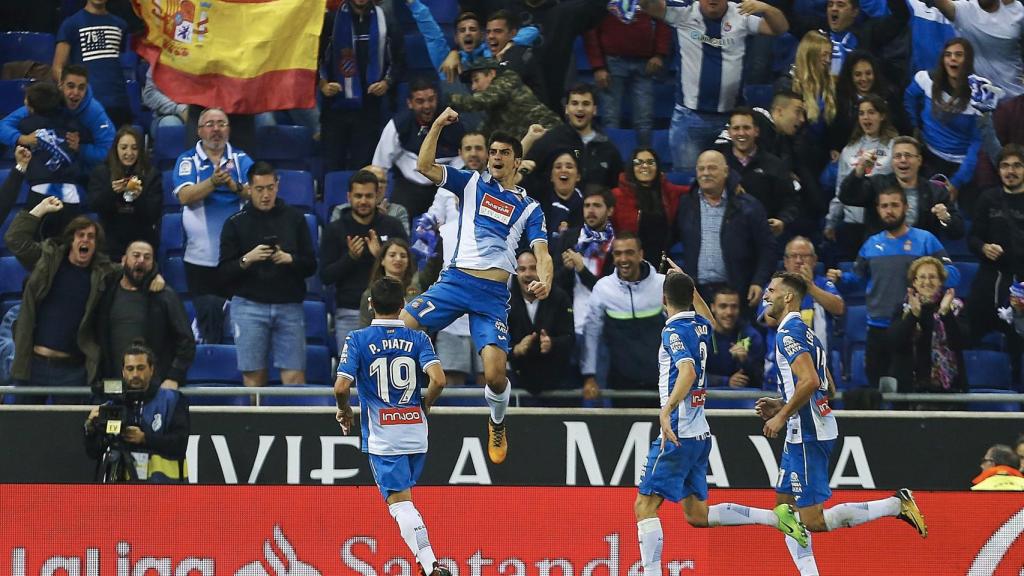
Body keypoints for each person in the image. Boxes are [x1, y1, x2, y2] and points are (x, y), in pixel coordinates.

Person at [634, 269, 808, 576]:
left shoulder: (672, 332)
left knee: (644, 508)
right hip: (700, 434)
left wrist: (666, 410)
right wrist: (687, 281)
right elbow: (706, 316)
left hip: (678, 432)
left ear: (663, 300)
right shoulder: (701, 326)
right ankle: (776, 518)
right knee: (697, 515)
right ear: (692, 299)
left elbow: (686, 372)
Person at [404, 107, 553, 464]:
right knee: (401, 326)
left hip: (491, 296)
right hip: (455, 282)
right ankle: (405, 400)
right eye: (493, 151)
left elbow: (543, 253)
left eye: (504, 153)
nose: (496, 157)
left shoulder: (529, 208)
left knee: (495, 374)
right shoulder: (471, 183)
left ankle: (497, 422)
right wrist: (439, 124)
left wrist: (545, 279)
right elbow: (424, 166)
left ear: (518, 162)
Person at [758, 271, 927, 576]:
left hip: (807, 434)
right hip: (805, 428)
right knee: (785, 509)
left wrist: (783, 415)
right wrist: (783, 404)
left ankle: (896, 505)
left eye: (771, 290)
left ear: (788, 297)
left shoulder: (788, 333)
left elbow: (810, 381)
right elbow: (829, 387)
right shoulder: (807, 332)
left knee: (812, 522)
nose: (765, 296)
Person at [334, 277, 450, 576]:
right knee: (405, 501)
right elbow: (438, 380)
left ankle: (430, 565)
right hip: (416, 432)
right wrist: (426, 404)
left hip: (384, 437)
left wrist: (344, 410)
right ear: (403, 306)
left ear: (370, 303)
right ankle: (427, 563)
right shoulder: (419, 338)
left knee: (400, 506)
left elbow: (340, 386)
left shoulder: (357, 339)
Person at [826, 188, 959, 390]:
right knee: (876, 392)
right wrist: (841, 278)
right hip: (877, 330)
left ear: (906, 207)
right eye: (884, 206)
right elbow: (857, 280)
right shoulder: (871, 244)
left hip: (914, 329)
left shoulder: (925, 240)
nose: (889, 210)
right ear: (878, 210)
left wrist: (930, 277)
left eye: (895, 205)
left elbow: (953, 274)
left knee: (908, 395)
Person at [639, 0, 789, 172]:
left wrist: (766, 8)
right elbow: (646, 5)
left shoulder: (741, 14)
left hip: (731, 119)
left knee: (735, 179)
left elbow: (780, 27)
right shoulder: (683, 12)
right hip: (690, 119)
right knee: (687, 180)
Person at [4, 199, 115, 403]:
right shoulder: (47, 260)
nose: (86, 240)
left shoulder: (103, 274)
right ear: (71, 240)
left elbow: (136, 272)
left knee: (69, 432)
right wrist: (41, 209)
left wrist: (155, 276)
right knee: (22, 429)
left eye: (91, 237)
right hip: (33, 365)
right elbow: (14, 239)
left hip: (72, 370)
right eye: (80, 235)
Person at [218, 162, 317, 388]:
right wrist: (247, 259)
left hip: (289, 306)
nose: (266, 195)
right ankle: (256, 424)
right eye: (260, 189)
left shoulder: (295, 219)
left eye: (270, 188)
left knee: (294, 378)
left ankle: (291, 423)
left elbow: (311, 265)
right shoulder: (235, 223)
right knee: (253, 379)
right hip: (248, 306)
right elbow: (223, 272)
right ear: (249, 188)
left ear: (278, 186)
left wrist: (289, 259)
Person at [173, 108, 253, 342]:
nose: (216, 129)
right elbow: (185, 196)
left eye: (221, 124)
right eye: (210, 124)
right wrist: (214, 182)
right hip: (199, 260)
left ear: (229, 129)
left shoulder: (241, 159)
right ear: (199, 131)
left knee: (234, 322)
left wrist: (234, 187)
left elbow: (260, 193)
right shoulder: (187, 160)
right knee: (204, 322)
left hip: (234, 258)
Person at [674, 150, 775, 308]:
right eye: (701, 169)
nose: (706, 173)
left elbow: (767, 248)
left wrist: (758, 281)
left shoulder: (748, 206)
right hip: (696, 294)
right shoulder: (685, 205)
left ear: (726, 171)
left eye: (712, 168)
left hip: (737, 294)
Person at [322, 170, 409, 353]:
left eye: (369, 196)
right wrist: (350, 257)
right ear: (349, 196)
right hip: (350, 311)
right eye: (358, 196)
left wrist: (381, 256)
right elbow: (325, 276)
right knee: (351, 372)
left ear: (378, 195)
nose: (363, 201)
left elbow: (408, 267)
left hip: (391, 313)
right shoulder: (335, 229)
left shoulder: (392, 225)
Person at [84, 343, 190, 482]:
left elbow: (180, 444)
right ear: (123, 372)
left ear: (151, 369)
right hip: (122, 491)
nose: (135, 374)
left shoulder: (172, 400)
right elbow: (94, 452)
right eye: (130, 369)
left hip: (164, 488)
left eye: (141, 368)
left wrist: (144, 438)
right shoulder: (114, 405)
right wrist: (90, 429)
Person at [96, 241, 195, 391]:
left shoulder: (164, 295)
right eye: (136, 255)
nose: (141, 260)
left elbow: (186, 341)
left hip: (154, 386)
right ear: (123, 260)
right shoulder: (108, 292)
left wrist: (174, 377)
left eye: (147, 257)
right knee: (113, 414)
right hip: (115, 384)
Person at [319, 0, 404, 171]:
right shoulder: (331, 20)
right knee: (332, 167)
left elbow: (399, 60)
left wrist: (387, 83)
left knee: (363, 169)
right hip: (335, 106)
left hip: (369, 108)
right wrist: (322, 83)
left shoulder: (386, 20)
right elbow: (315, 58)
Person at [581, 233, 664, 403]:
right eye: (618, 253)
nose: (623, 259)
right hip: (621, 384)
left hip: (659, 383)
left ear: (641, 254)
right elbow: (591, 333)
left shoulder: (663, 285)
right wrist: (589, 376)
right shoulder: (603, 288)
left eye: (629, 252)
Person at [838, 135, 964, 246]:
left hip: (921, 259)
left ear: (919, 160)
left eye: (908, 155)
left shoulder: (936, 192)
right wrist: (859, 169)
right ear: (892, 162)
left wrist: (946, 218)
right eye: (897, 156)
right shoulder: (877, 184)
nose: (903, 159)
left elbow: (957, 232)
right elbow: (846, 196)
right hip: (883, 253)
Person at [372, 78, 465, 220]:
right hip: (409, 186)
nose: (427, 106)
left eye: (431, 100)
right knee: (394, 219)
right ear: (410, 103)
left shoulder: (454, 122)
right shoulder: (397, 125)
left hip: (443, 184)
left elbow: (464, 157)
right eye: (420, 101)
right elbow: (379, 166)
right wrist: (378, 199)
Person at [759, 237, 845, 390]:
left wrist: (810, 287)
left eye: (804, 256)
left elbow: (839, 308)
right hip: (779, 374)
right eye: (793, 256)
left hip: (818, 371)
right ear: (785, 261)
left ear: (814, 260)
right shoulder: (773, 286)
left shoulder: (824, 284)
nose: (799, 261)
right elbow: (770, 319)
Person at [904, 38, 982, 205]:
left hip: (961, 166)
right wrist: (915, 127)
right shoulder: (926, 79)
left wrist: (957, 182)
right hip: (929, 158)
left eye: (958, 55)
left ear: (968, 60)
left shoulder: (979, 97)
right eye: (948, 55)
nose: (952, 58)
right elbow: (909, 97)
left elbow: (977, 143)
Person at [0, 64, 115, 177]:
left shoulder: (95, 112)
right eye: (70, 86)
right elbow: (3, 126)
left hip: (83, 175)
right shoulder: (47, 99)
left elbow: (110, 152)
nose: (75, 92)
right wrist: (23, 139)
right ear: (61, 85)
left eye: (81, 88)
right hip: (46, 172)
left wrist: (80, 148)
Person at [583, 9, 672, 146]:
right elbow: (591, 27)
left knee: (644, 119)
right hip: (612, 61)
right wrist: (598, 66)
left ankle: (645, 163)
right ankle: (611, 164)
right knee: (610, 118)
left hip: (644, 63)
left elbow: (663, 17)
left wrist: (659, 54)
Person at [826, 94, 899, 258]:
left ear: (882, 115)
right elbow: (840, 189)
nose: (866, 117)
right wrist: (831, 221)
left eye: (871, 112)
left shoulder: (895, 146)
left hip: (881, 224)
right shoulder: (849, 150)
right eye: (862, 113)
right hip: (851, 224)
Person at [12, 81, 84, 240]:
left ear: (31, 105)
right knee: (68, 248)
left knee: (37, 248)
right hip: (70, 193)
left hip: (40, 192)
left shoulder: (24, 126)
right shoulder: (72, 124)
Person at [968, 144, 1024, 343]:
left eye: (1017, 165)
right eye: (1005, 166)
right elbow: (972, 238)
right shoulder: (988, 198)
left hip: (1021, 282)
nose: (1011, 171)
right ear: (998, 170)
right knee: (967, 333)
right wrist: (983, 247)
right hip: (989, 281)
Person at [887, 256, 967, 394]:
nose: (927, 282)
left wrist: (946, 313)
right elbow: (894, 343)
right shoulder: (903, 309)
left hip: (949, 390)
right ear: (914, 282)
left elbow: (961, 342)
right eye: (922, 277)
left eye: (932, 277)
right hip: (909, 390)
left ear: (941, 281)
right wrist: (913, 315)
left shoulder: (956, 307)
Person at [524, 84, 623, 191]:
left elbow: (616, 188)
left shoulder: (607, 148)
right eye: (575, 103)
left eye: (586, 104)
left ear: (594, 110)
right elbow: (526, 177)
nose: (580, 109)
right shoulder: (549, 141)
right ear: (566, 109)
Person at [722, 107, 801, 240]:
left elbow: (791, 201)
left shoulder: (775, 165)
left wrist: (782, 221)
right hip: (726, 238)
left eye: (747, 128)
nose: (741, 133)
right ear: (729, 133)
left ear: (756, 131)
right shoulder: (719, 163)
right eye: (736, 128)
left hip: (764, 238)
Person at [53, 0, 131, 128]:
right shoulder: (71, 24)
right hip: (85, 104)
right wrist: (73, 94)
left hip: (118, 101)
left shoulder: (121, 25)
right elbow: (57, 67)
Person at [507, 249, 575, 397]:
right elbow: (499, 346)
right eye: (522, 269)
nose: (527, 274)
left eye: (533, 268)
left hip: (558, 384)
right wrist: (517, 349)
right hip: (520, 384)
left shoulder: (559, 298)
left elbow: (570, 338)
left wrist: (552, 343)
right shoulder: (506, 303)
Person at [88, 126, 161, 260]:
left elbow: (153, 214)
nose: (129, 153)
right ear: (116, 149)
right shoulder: (101, 172)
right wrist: (112, 192)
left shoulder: (151, 174)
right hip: (110, 242)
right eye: (124, 147)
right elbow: (94, 205)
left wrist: (139, 198)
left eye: (134, 148)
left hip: (141, 241)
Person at [929, 0, 1024, 98]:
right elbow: (941, 3)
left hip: (1013, 96)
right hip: (975, 99)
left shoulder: (1017, 11)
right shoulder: (965, 10)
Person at [448, 58, 561, 140]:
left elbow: (479, 101)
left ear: (491, 74)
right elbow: (483, 133)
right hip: (533, 143)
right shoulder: (495, 108)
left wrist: (447, 99)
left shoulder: (507, 79)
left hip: (552, 133)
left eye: (476, 80)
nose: (473, 87)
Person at [611, 148, 688, 266]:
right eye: (638, 163)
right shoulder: (616, 196)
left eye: (650, 162)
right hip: (628, 264)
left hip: (661, 263)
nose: (645, 166)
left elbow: (694, 191)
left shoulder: (667, 191)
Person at [705, 287, 766, 388]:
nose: (729, 312)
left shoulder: (751, 336)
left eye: (734, 306)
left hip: (743, 400)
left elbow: (761, 379)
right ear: (713, 307)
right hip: (707, 399)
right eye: (723, 306)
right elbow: (692, 376)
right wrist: (725, 382)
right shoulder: (701, 337)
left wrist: (746, 361)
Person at [359, 239, 424, 327]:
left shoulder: (418, 288)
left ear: (408, 261)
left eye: (403, 256)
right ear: (382, 260)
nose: (398, 259)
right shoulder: (369, 294)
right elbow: (364, 326)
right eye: (392, 255)